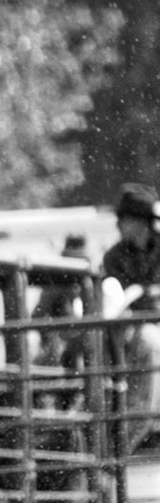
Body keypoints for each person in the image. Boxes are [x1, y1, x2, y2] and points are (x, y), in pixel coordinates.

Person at [99, 183, 160, 450]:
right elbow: (115, 300)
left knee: (148, 340)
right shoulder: (114, 256)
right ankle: (113, 446)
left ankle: (115, 448)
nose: (119, 224)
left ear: (139, 221)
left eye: (124, 218)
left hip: (147, 332)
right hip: (129, 331)